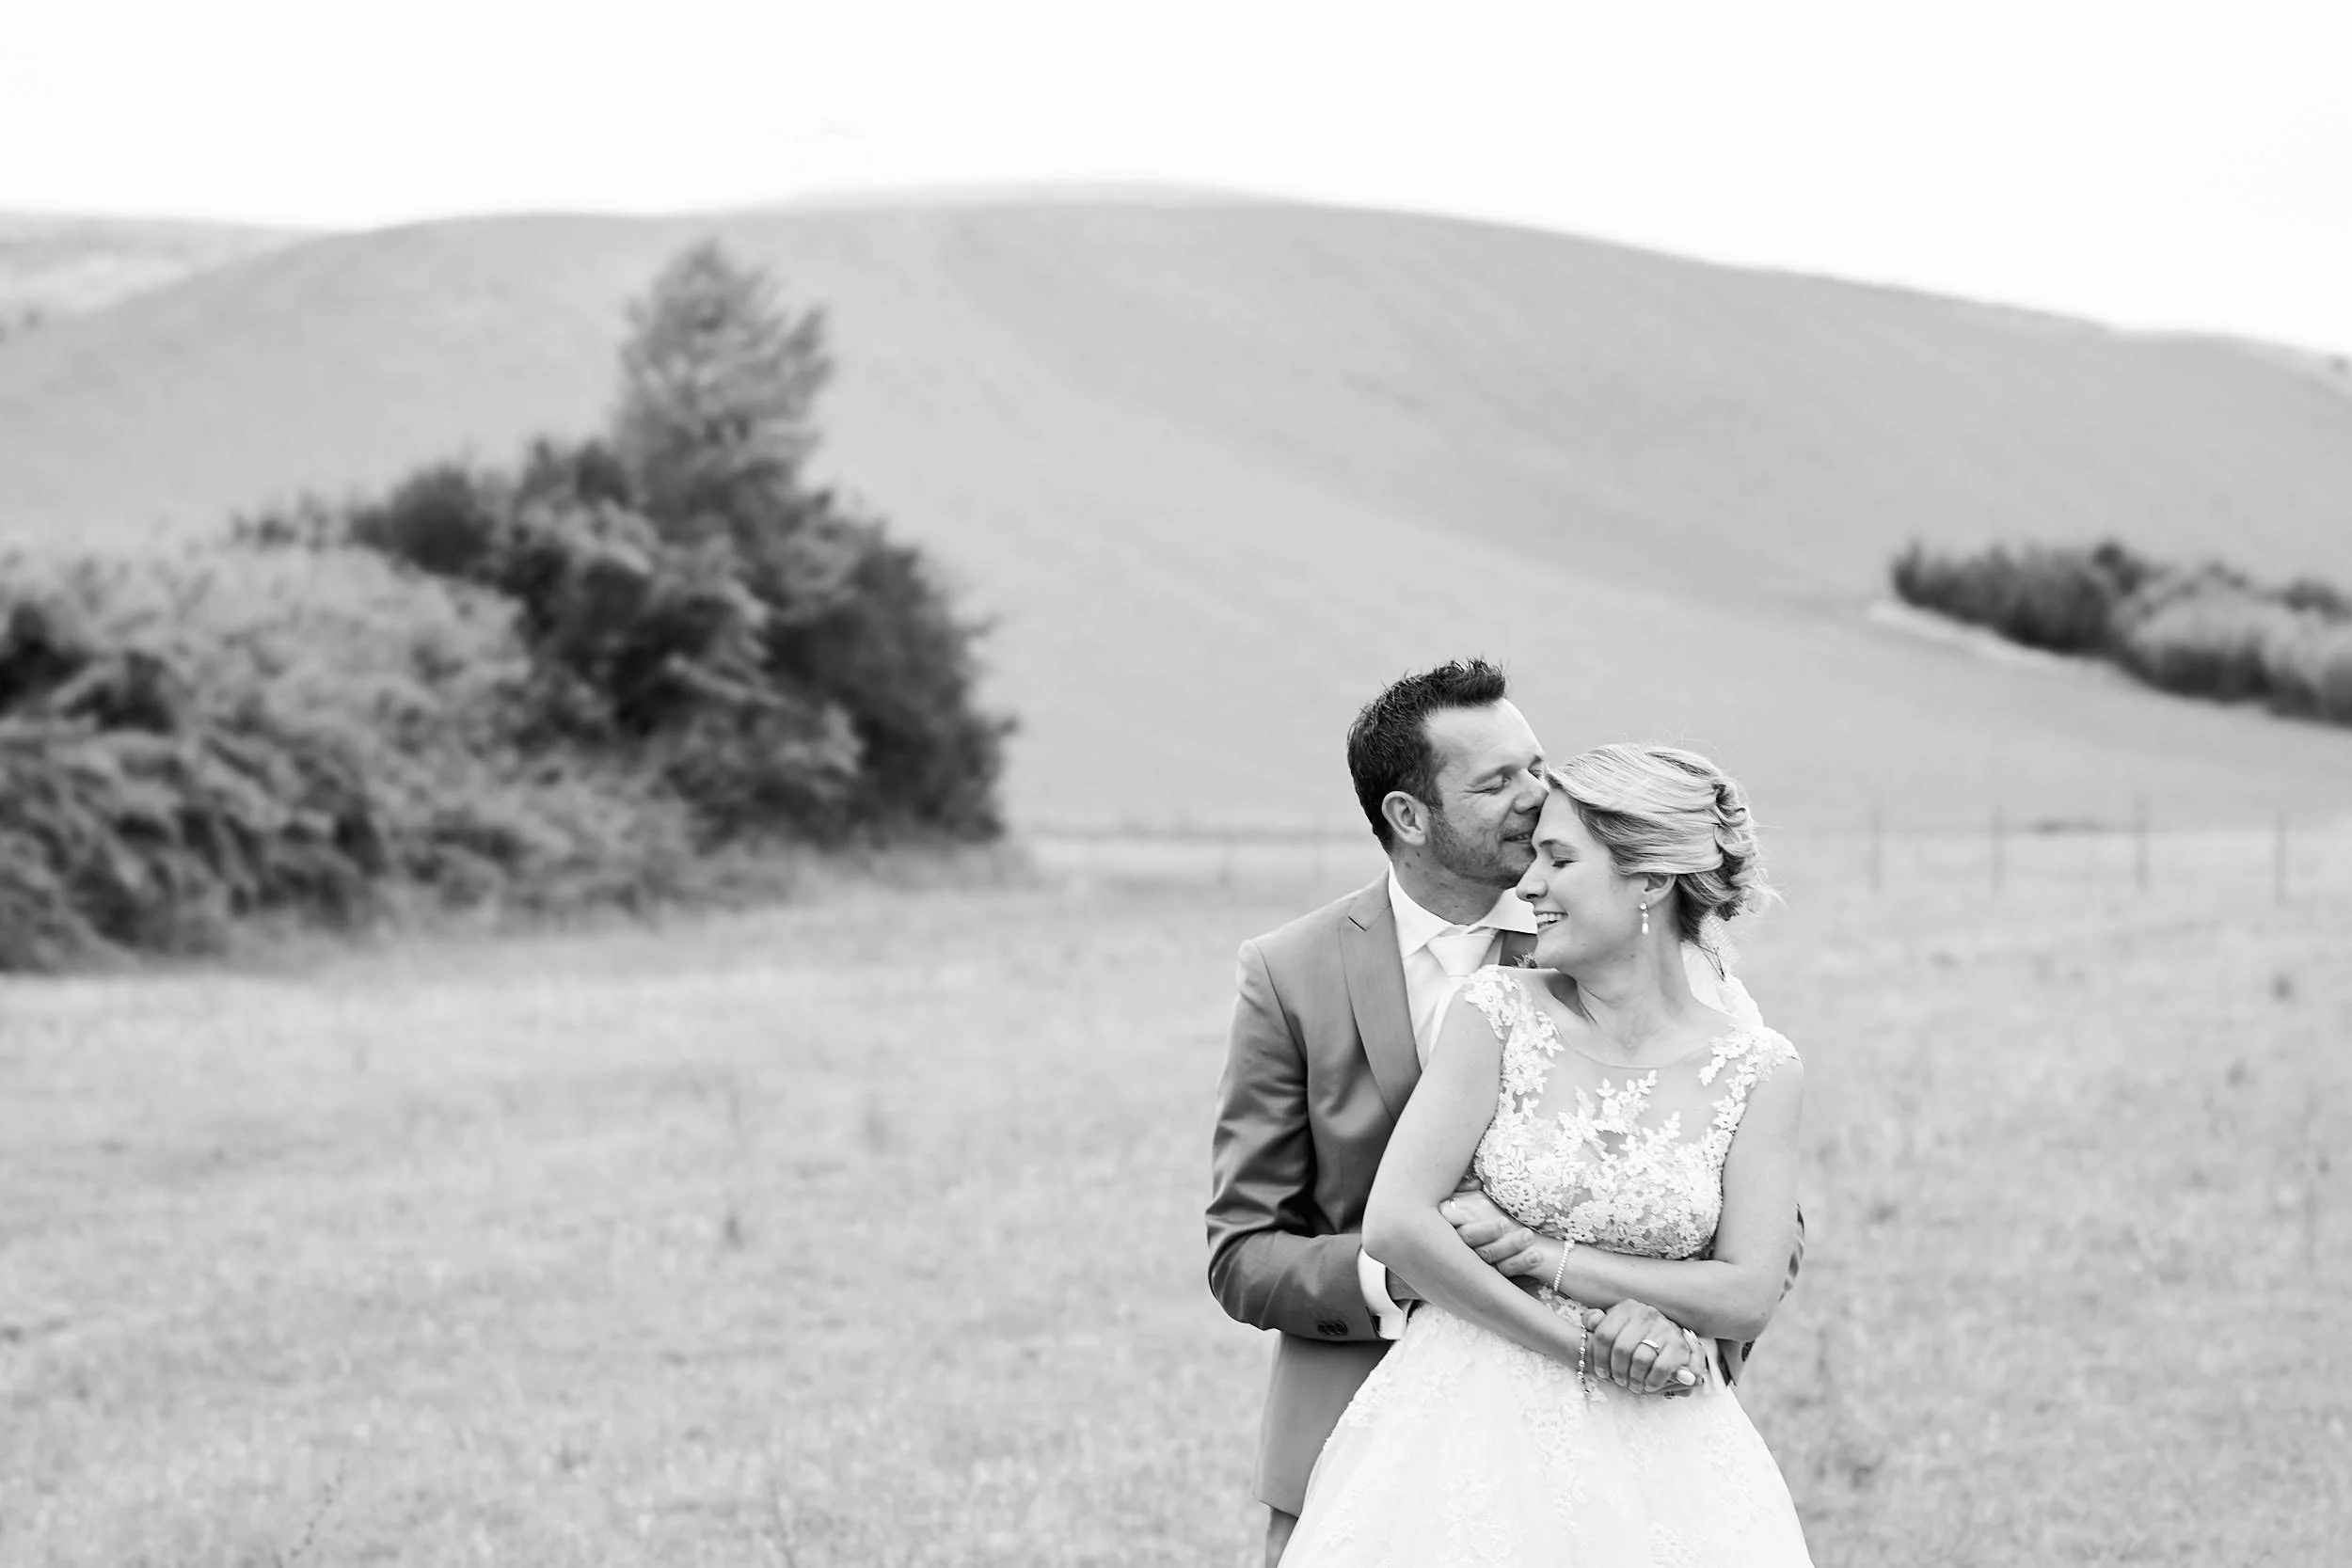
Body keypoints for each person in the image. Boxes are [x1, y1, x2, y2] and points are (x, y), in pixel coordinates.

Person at [1206, 662, 1789, 1565]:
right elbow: (1245, 1250)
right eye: (1496, 782)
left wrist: (1657, 1315)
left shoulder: (1615, 941)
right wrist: (1420, 1271)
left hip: (1636, 1421)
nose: (1536, 794)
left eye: (1536, 765)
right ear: (1410, 815)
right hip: (1373, 1431)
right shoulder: (1291, 972)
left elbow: (1761, 1241)